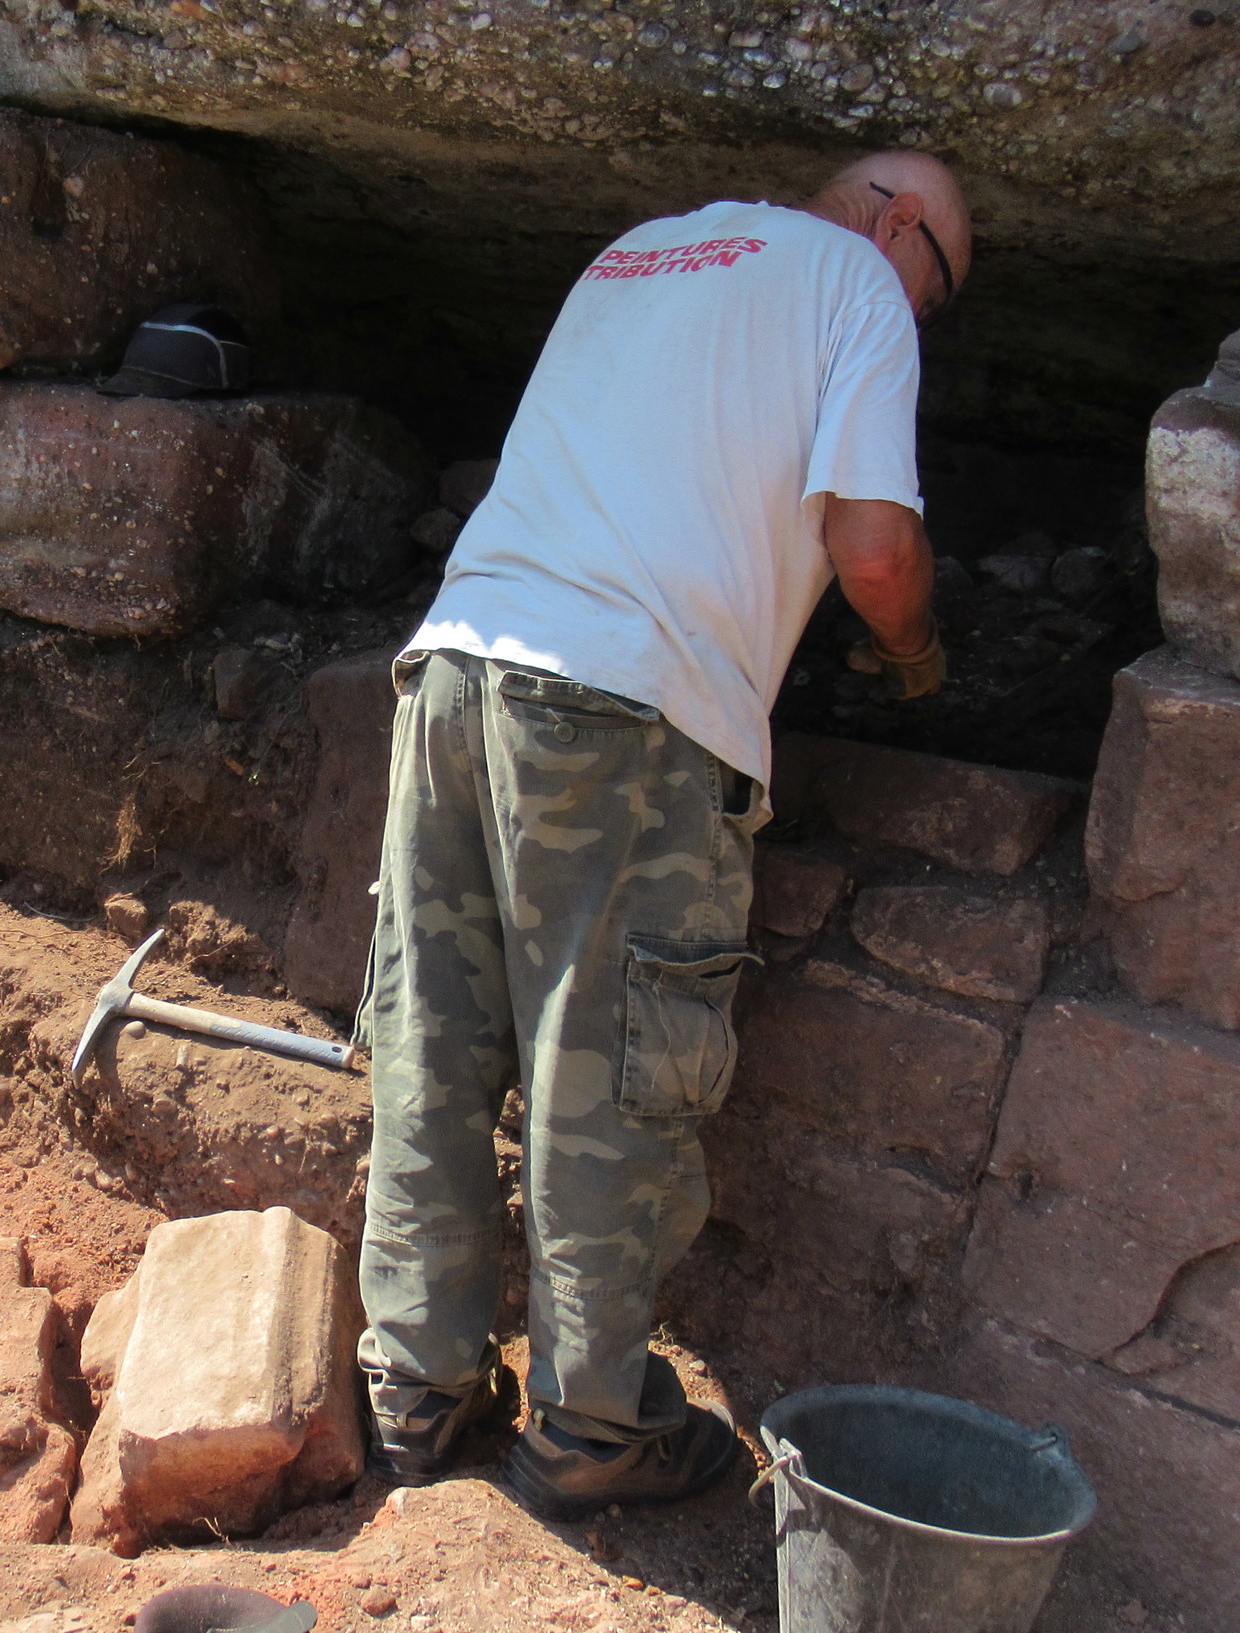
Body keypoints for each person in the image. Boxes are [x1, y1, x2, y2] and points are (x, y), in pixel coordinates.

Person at [355, 152, 972, 1520]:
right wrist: (918, 653)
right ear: (902, 224)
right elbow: (874, 547)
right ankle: (592, 1429)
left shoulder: (637, 253)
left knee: (432, 1038)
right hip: (623, 704)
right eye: (941, 288)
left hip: (455, 666)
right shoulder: (859, 283)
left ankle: (416, 1391)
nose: (924, 315)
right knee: (610, 1073)